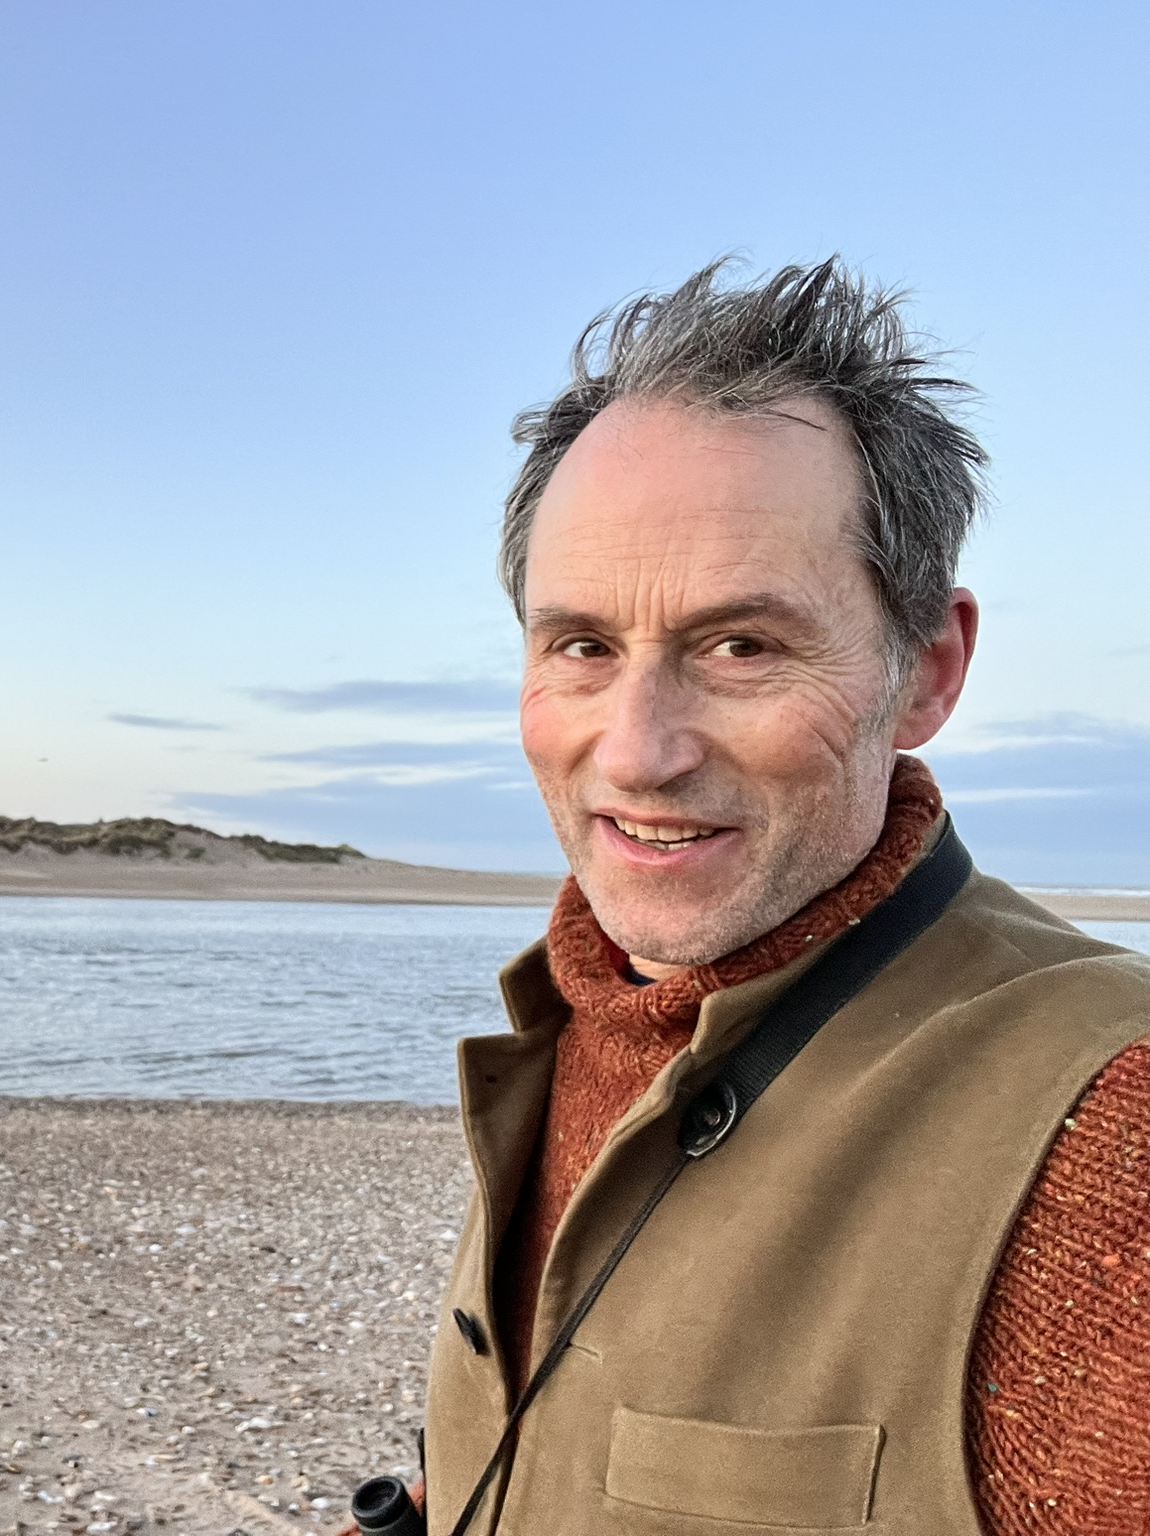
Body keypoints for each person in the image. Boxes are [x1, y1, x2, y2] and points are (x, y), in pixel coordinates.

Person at [403, 261, 1150, 1534]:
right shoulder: (577, 1019)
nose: (636, 751)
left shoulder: (1112, 1139)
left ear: (924, 671)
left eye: (740, 646)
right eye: (582, 646)